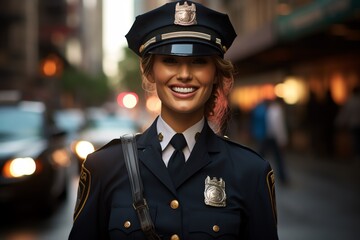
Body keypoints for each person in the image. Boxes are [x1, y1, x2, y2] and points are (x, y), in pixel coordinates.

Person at [69, 1, 279, 239]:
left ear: (215, 74)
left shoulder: (251, 172)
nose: (185, 75)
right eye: (170, 61)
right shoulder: (104, 167)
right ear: (150, 72)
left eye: (199, 61)